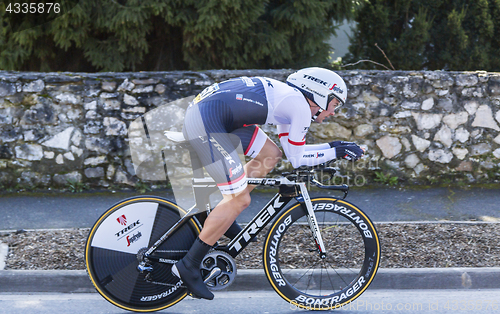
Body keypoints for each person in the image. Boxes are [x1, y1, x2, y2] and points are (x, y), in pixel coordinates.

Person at [171, 67, 364, 300]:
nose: (334, 112)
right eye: (335, 104)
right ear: (320, 95)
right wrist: (336, 149)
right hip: (207, 121)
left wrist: (333, 148)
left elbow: (293, 154)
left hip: (214, 116)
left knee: (270, 154)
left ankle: (218, 211)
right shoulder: (300, 106)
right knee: (240, 200)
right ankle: (188, 266)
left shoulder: (291, 101)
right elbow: (299, 158)